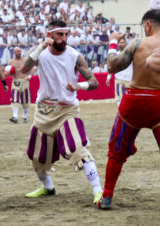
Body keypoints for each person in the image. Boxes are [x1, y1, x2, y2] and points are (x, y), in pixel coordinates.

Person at [97, 9, 160, 210]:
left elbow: (112, 66)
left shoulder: (138, 43)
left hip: (134, 100)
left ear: (148, 25)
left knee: (116, 152)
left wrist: (112, 42)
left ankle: (106, 196)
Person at [19, 20, 103, 204]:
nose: (64, 38)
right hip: (44, 110)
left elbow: (95, 82)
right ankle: (48, 188)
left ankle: (98, 191)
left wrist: (78, 85)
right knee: (37, 155)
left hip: (67, 109)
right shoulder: (39, 53)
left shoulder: (74, 55)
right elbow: (23, 69)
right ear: (50, 35)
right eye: (60, 34)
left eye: (66, 34)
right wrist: (41, 46)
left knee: (77, 148)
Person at [4, 47, 34, 124]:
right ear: (14, 52)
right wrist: (8, 73)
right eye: (17, 51)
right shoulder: (11, 62)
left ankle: (24, 117)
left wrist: (30, 76)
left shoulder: (25, 60)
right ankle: (15, 116)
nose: (19, 52)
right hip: (15, 81)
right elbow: (6, 74)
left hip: (24, 80)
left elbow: (32, 68)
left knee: (26, 100)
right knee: (14, 99)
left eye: (20, 51)